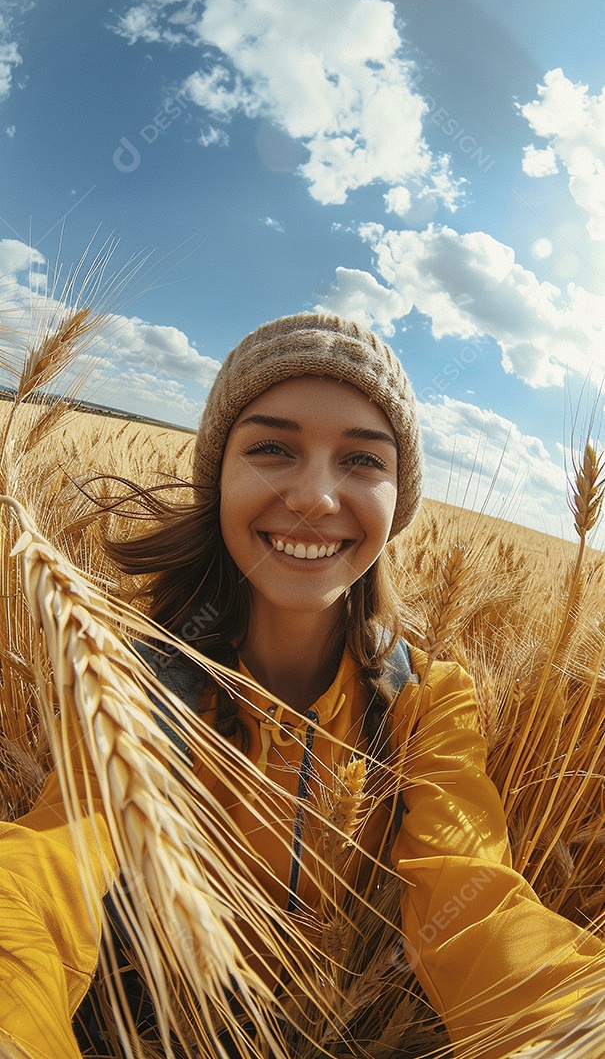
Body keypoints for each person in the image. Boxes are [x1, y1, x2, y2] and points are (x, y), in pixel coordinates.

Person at [0, 312, 603, 1059]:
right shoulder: (139, 682)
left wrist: (582, 1025)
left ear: (397, 500)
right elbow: (46, 867)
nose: (316, 497)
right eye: (272, 448)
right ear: (216, 475)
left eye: (361, 461)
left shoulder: (429, 702)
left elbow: (472, 899)